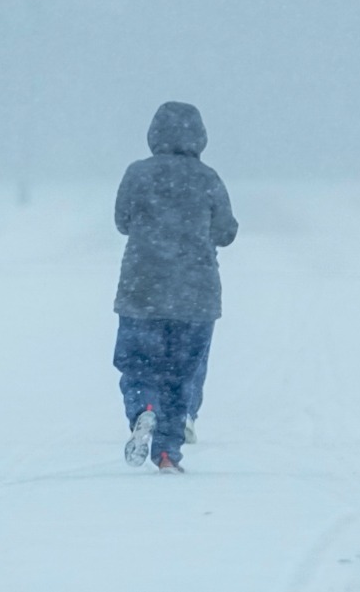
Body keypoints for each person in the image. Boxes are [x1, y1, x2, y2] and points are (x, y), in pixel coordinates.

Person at [112, 101, 238, 473]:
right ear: (200, 137)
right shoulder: (208, 178)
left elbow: (122, 222)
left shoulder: (137, 174)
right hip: (195, 297)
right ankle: (167, 453)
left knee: (139, 365)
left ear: (154, 134)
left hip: (141, 292)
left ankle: (144, 409)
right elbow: (225, 232)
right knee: (180, 376)